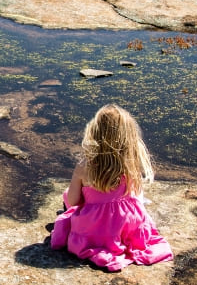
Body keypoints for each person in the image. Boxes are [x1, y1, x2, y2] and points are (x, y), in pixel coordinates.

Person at [50, 104, 173, 271]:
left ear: (95, 132)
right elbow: (136, 198)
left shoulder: (84, 166)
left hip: (95, 229)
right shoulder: (131, 164)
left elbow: (73, 201)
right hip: (126, 226)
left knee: (67, 196)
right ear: (129, 136)